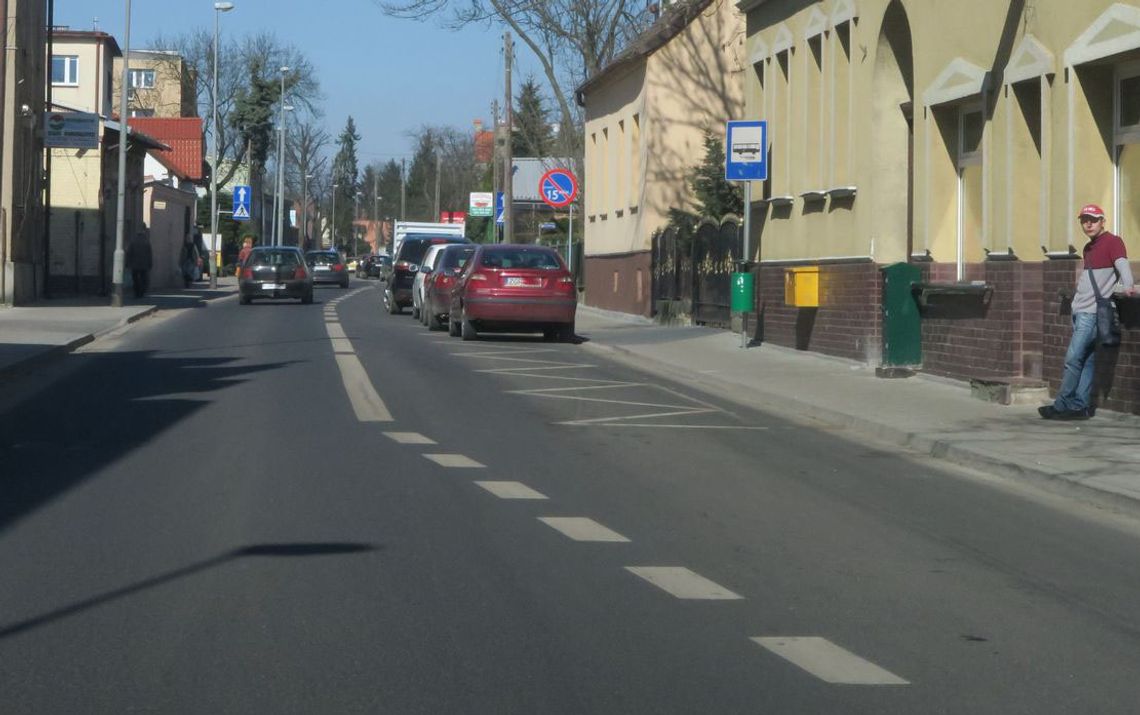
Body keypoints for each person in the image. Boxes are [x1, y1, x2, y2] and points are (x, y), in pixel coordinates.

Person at [1039, 204, 1134, 420]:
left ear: (1103, 221)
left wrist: (1128, 286)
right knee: (1087, 359)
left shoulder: (1113, 242)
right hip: (1080, 310)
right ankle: (1080, 407)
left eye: (1093, 219)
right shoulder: (1089, 247)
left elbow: (1123, 268)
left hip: (1091, 313)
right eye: (1084, 220)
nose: (1088, 224)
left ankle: (1062, 405)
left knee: (1073, 359)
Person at [125, 229, 153, 299]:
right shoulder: (146, 242)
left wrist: (127, 263)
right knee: (143, 278)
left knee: (135, 279)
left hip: (134, 264)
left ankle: (136, 292)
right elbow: (149, 254)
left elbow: (129, 253)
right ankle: (142, 291)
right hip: (144, 264)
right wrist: (150, 264)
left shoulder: (133, 242)